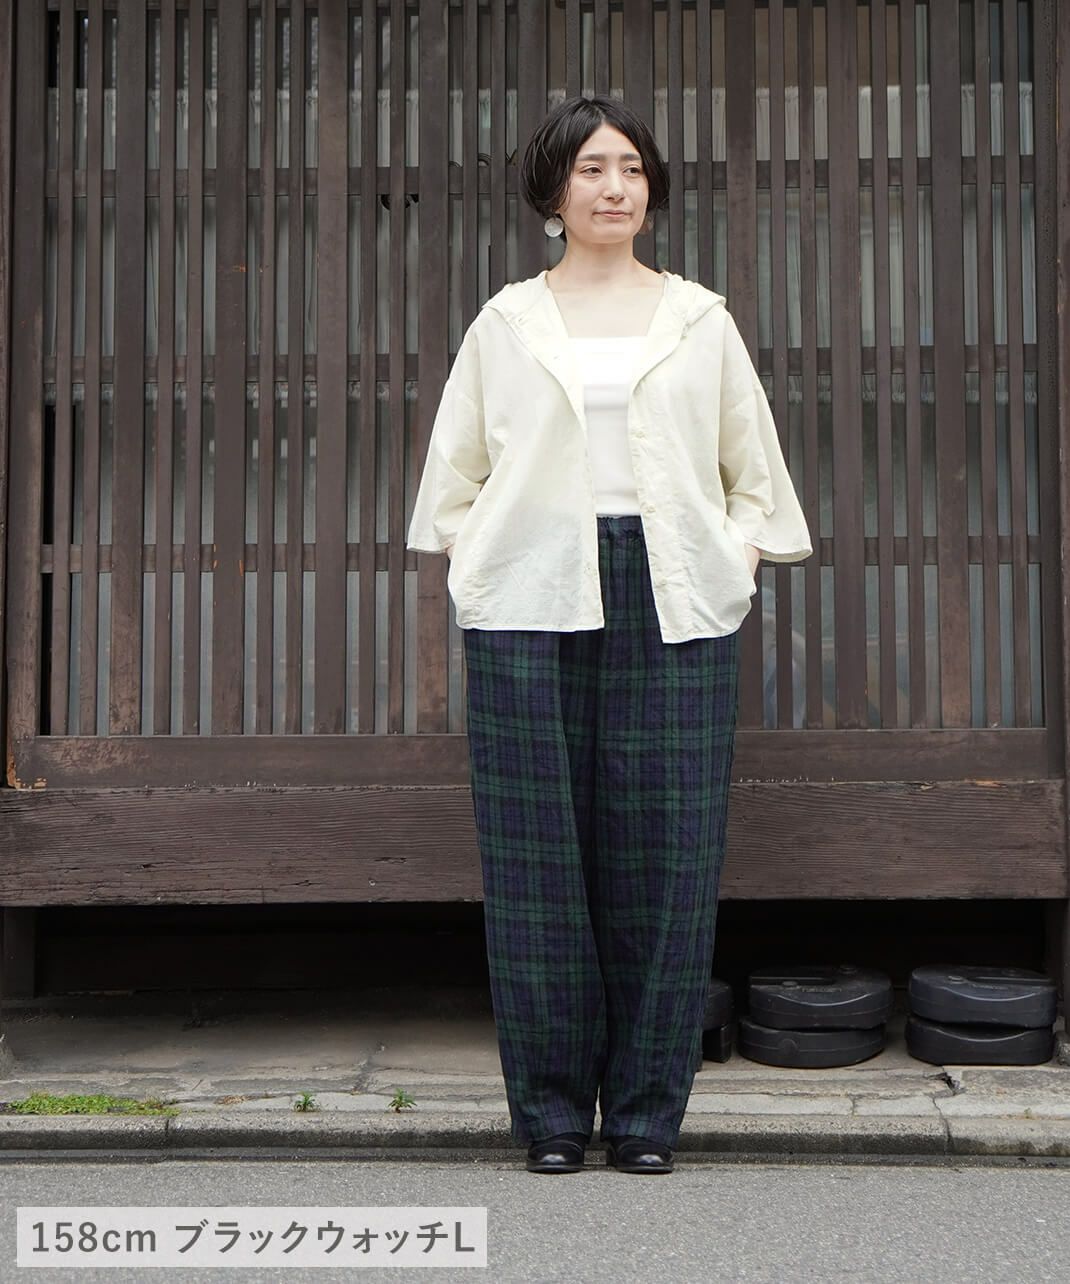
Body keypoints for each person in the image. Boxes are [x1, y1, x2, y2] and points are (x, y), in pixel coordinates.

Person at [406, 94, 812, 1175]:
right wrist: (482, 555)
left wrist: (732, 555)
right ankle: (548, 1115)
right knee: (535, 856)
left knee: (668, 857)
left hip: (670, 588)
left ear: (651, 187)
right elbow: (453, 479)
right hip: (529, 592)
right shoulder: (506, 324)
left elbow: (752, 470)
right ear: (552, 191)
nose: (613, 186)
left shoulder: (697, 319)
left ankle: (643, 1115)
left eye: (629, 167)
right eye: (590, 168)